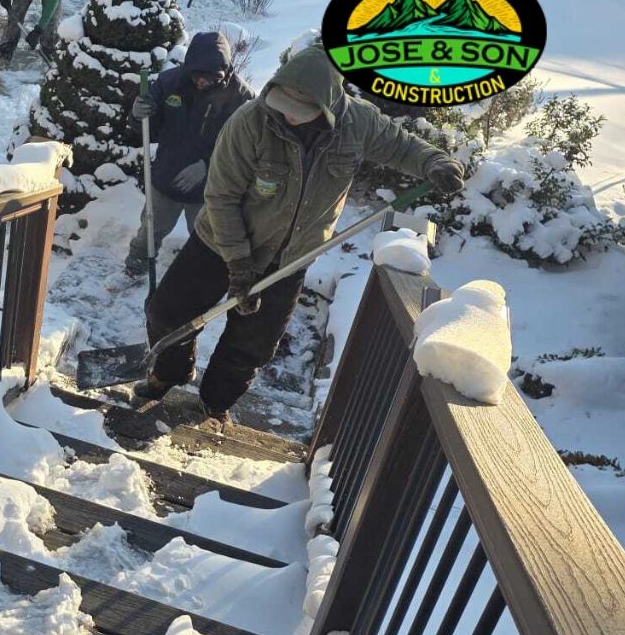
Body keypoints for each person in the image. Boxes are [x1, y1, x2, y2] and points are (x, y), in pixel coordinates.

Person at [136, 46, 466, 429]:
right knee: (167, 312)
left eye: (301, 110)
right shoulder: (250, 122)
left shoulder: (358, 124)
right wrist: (239, 265)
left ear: (328, 104)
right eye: (281, 104)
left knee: (251, 345)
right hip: (219, 243)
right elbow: (222, 198)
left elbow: (401, 145)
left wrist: (434, 161)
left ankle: (212, 406)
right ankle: (170, 374)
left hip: (288, 258)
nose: (288, 116)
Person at [125, 31, 254, 278]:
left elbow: (246, 149)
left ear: (225, 71)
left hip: (211, 188)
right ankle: (137, 264)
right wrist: (138, 115)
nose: (202, 82)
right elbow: (148, 131)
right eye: (197, 75)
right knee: (151, 228)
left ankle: (197, 281)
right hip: (167, 176)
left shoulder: (241, 98)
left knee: (207, 240)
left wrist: (207, 165)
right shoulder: (169, 83)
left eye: (210, 77)